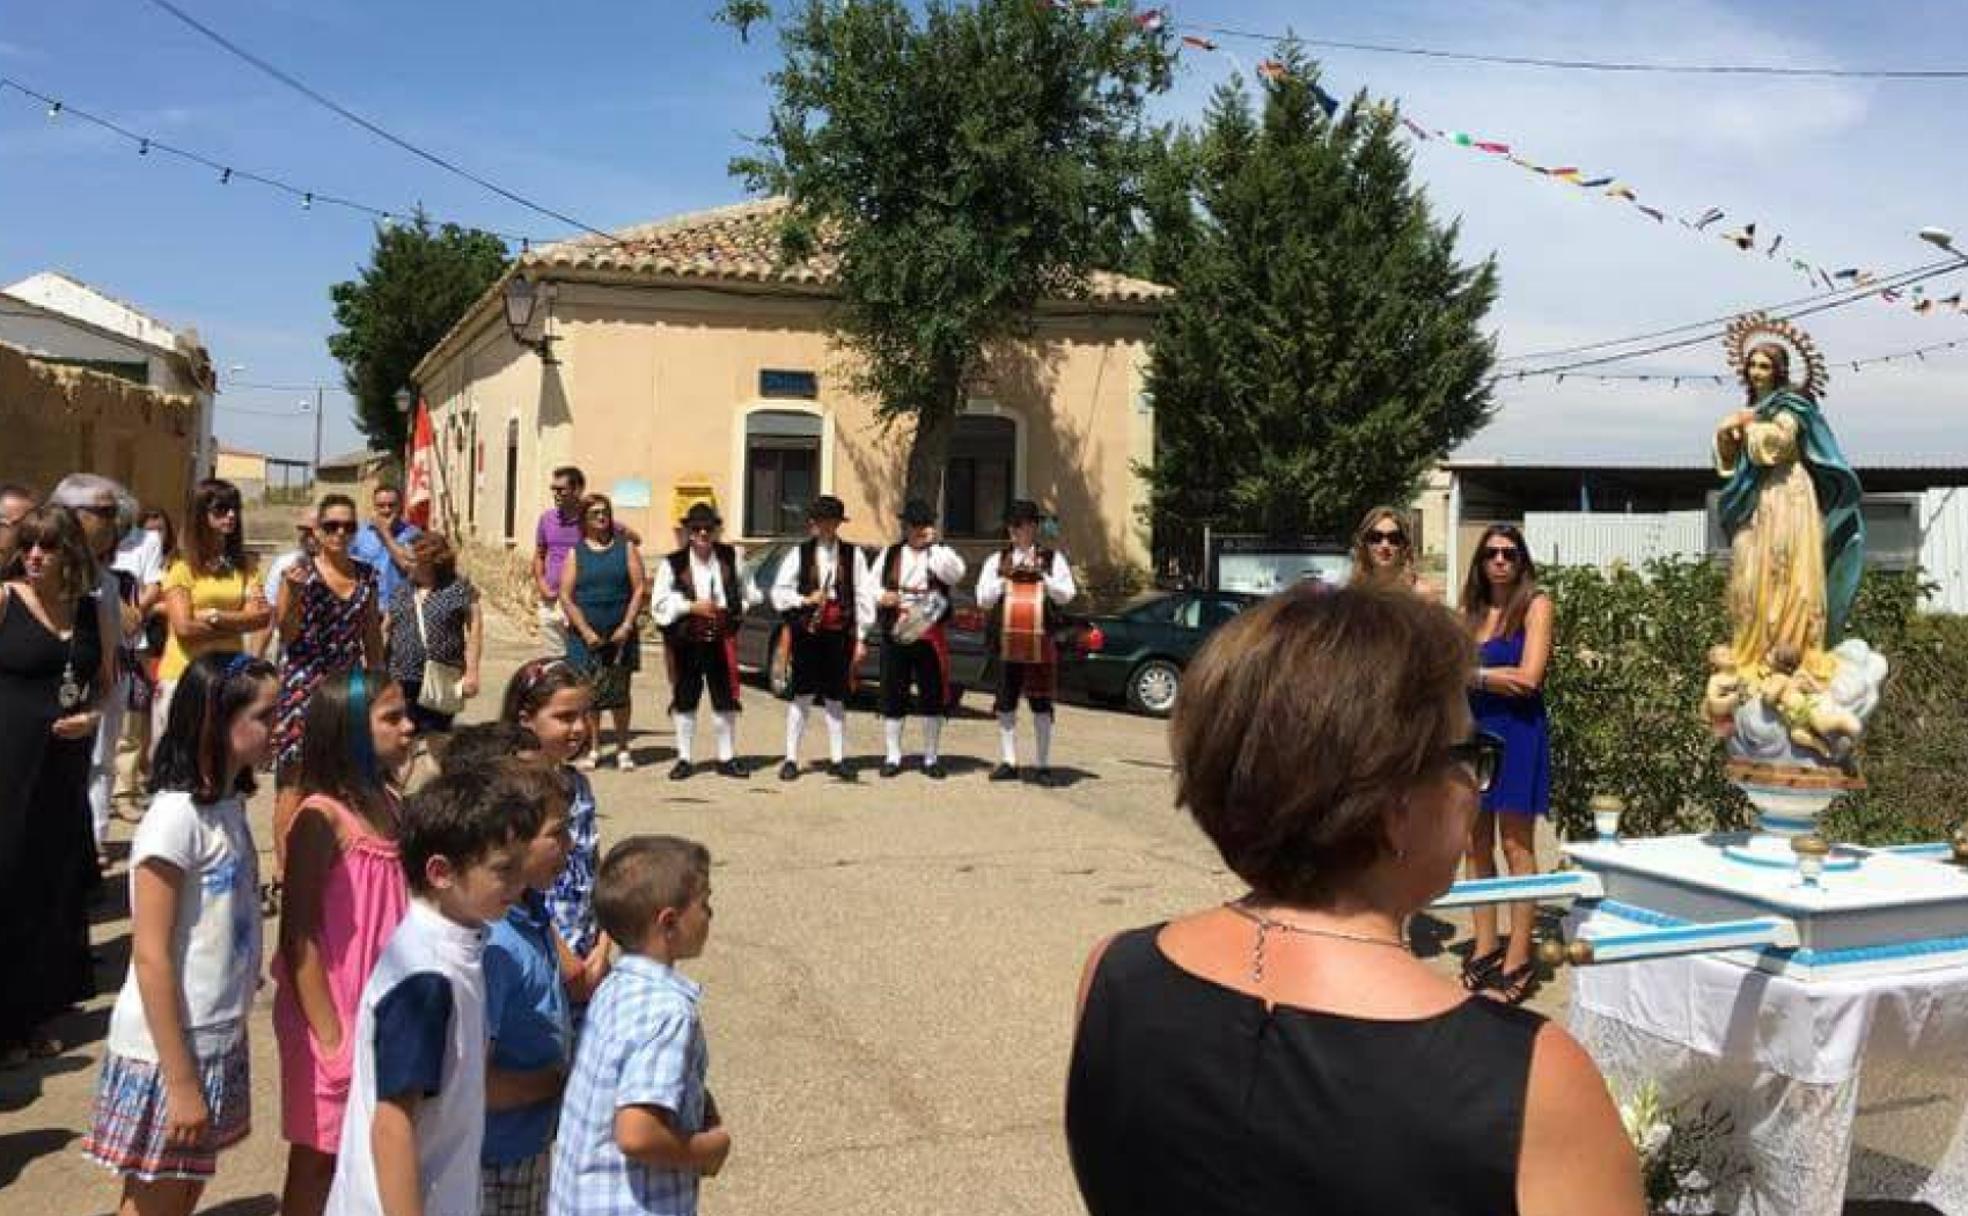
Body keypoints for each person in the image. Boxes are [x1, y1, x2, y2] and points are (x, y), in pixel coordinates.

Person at [1065, 587, 1641, 1216]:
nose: (1477, 787)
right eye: (1471, 757)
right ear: (1395, 805)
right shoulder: (1528, 1081)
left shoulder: (1113, 974)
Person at [80, 653, 277, 1216]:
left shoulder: (227, 808)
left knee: (182, 1193)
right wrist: (183, 1082)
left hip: (212, 1037)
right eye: (264, 715)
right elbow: (151, 957)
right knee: (155, 1203)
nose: (277, 726)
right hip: (170, 1052)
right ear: (216, 719)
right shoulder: (174, 820)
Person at [325, 764, 542, 1216]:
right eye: (504, 870)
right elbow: (392, 1124)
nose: (520, 884)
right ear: (441, 872)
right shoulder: (427, 977)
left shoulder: (457, 946)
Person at [271, 669, 418, 1216]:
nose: (408, 727)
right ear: (352, 729)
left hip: (379, 1002)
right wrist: (332, 1039)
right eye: (392, 718)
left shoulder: (389, 802)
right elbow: (298, 935)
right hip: (330, 1008)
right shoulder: (319, 818)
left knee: (373, 1144)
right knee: (319, 1153)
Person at [549, 835, 728, 1216]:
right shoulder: (668, 1013)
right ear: (669, 922)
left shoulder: (615, 986)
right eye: (705, 903)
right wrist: (707, 1151)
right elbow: (637, 1133)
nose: (711, 914)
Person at [0, 507, 113, 1066]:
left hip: (64, 762)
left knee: (52, 882)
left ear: (71, 552)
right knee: (8, 879)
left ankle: (37, 1011)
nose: (34, 556)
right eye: (27, 546)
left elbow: (106, 685)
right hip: (8, 762)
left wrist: (92, 718)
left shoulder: (92, 611)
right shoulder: (4, 601)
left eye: (46, 546)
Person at [1714, 340, 1865, 672]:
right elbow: (1733, 460)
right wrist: (1727, 435)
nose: (1756, 372)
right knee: (1755, 570)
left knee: (1788, 566)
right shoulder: (1758, 407)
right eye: (1752, 365)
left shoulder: (1790, 405)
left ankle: (1793, 647)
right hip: (1761, 494)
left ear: (1778, 370)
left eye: (1764, 366)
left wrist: (1749, 425)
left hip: (1789, 492)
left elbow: (1781, 443)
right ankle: (1756, 648)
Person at [479, 758, 580, 1216]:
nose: (570, 845)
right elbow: (477, 1084)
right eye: (556, 834)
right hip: (498, 1155)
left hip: (530, 1140)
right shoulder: (495, 942)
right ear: (511, 841)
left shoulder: (530, 909)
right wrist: (558, 1084)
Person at [1460, 524, 1554, 1006]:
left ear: (1521, 560)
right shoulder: (1470, 613)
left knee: (1516, 844)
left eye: (1509, 553)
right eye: (1492, 553)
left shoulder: (1536, 604)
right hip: (1472, 734)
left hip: (1517, 734)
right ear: (1480, 562)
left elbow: (1529, 680)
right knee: (1475, 843)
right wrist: (1494, 678)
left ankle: (1520, 955)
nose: (1500, 560)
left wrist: (1475, 674)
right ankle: (1484, 944)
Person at [51, 474, 161, 863]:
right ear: (73, 515)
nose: (114, 522)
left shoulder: (105, 578)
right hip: (55, 692)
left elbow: (123, 630)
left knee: (100, 763)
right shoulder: (44, 567)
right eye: (105, 513)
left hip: (104, 684)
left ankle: (93, 844)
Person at [273, 494, 384, 860]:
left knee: (347, 777)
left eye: (348, 526)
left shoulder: (367, 574)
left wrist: (380, 685)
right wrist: (292, 591)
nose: (340, 533)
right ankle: (286, 871)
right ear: (317, 532)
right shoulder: (302, 573)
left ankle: (337, 860)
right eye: (331, 526)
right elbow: (287, 634)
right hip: (304, 684)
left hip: (348, 684)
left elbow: (371, 634)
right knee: (296, 780)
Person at [502, 659, 611, 1003]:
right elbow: (511, 890)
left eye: (584, 715)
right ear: (525, 720)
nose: (579, 728)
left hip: (587, 951)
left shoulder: (578, 784)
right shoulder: (510, 792)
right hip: (539, 957)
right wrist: (568, 965)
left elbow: (594, 866)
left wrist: (603, 946)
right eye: (565, 717)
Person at [652, 503, 758, 781]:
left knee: (724, 698)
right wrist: (689, 607)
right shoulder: (672, 563)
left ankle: (726, 757)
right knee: (685, 698)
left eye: (707, 529)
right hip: (687, 637)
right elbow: (659, 602)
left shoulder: (731, 556)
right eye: (696, 529)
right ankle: (684, 758)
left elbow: (751, 591)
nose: (702, 533)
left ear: (715, 530)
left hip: (722, 637)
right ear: (688, 531)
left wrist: (736, 608)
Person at [862, 499, 967, 780]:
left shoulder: (941, 554)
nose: (919, 531)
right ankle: (893, 756)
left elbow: (956, 573)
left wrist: (935, 547)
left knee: (932, 695)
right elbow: (870, 584)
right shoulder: (890, 554)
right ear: (905, 527)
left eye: (924, 526)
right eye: (915, 526)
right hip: (897, 627)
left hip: (929, 628)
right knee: (893, 693)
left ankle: (931, 757)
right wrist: (883, 596)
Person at [157, 479, 269, 741]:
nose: (231, 515)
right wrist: (238, 622)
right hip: (184, 675)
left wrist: (214, 616)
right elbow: (184, 628)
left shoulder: (246, 566)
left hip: (230, 676)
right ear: (200, 514)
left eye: (234, 508)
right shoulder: (181, 565)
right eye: (221, 509)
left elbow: (261, 618)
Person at [769, 495, 870, 782]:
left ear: (838, 524)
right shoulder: (798, 554)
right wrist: (805, 599)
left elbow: (863, 597)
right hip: (808, 633)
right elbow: (778, 593)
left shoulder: (854, 555)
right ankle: (791, 758)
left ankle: (838, 759)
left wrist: (861, 638)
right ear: (813, 523)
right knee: (801, 694)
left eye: (831, 521)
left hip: (839, 634)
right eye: (820, 521)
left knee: (836, 697)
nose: (825, 526)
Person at [976, 499, 1077, 785]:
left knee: (1041, 703)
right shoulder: (995, 560)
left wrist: (1044, 577)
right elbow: (983, 599)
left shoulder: (1052, 559)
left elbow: (1067, 594)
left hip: (1040, 637)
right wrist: (1003, 578)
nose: (1016, 531)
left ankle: (1043, 764)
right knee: (1006, 702)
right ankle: (1009, 761)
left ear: (1033, 528)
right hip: (1007, 638)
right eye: (1012, 526)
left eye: (1022, 525)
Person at [562, 494, 647, 771]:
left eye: (605, 512)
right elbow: (566, 595)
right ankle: (596, 747)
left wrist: (626, 625)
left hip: (619, 630)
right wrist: (585, 631)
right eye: (595, 513)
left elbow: (638, 589)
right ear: (585, 520)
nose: (601, 517)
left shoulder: (626, 549)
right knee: (590, 693)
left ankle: (623, 747)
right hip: (585, 633)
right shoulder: (576, 553)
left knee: (619, 690)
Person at [385, 534, 483, 736]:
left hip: (442, 678)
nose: (406, 564)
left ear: (430, 562)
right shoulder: (402, 589)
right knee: (405, 735)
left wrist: (472, 672)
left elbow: (475, 628)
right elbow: (386, 627)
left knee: (435, 736)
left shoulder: (457, 588)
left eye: (411, 560)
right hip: (402, 677)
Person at [258, 510, 319, 660]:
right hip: (293, 661)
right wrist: (254, 662)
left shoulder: (347, 569)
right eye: (302, 530)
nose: (305, 536)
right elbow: (268, 619)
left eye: (312, 530)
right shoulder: (284, 565)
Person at [350, 483, 421, 606]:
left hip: (400, 609)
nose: (386, 510)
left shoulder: (413, 534)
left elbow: (410, 566)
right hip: (366, 607)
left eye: (391, 505)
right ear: (375, 507)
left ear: (400, 506)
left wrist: (385, 534)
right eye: (381, 506)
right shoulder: (360, 534)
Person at [1349, 505, 1442, 599]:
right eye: (1376, 537)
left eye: (1394, 538)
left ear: (1404, 545)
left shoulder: (1421, 594)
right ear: (1364, 543)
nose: (1385, 545)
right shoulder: (1353, 592)